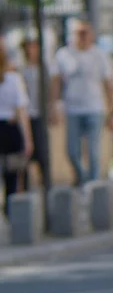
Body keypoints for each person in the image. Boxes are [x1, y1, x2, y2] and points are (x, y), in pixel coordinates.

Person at [51, 20, 113, 186]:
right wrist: (55, 105)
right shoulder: (64, 55)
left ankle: (92, 186)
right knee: (72, 151)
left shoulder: (99, 55)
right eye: (79, 33)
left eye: (86, 33)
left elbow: (108, 84)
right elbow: (56, 82)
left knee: (93, 151)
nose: (83, 37)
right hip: (72, 109)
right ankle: (82, 178)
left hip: (94, 108)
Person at [0, 36, 33, 212]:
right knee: (12, 175)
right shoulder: (14, 78)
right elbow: (21, 111)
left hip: (8, 128)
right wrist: (28, 139)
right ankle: (10, 210)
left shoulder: (13, 78)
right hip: (10, 129)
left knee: (11, 173)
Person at [19, 36, 48, 186]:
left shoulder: (43, 68)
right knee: (25, 153)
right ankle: (24, 186)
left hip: (38, 113)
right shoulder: (20, 68)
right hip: (24, 114)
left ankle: (45, 183)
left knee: (42, 151)